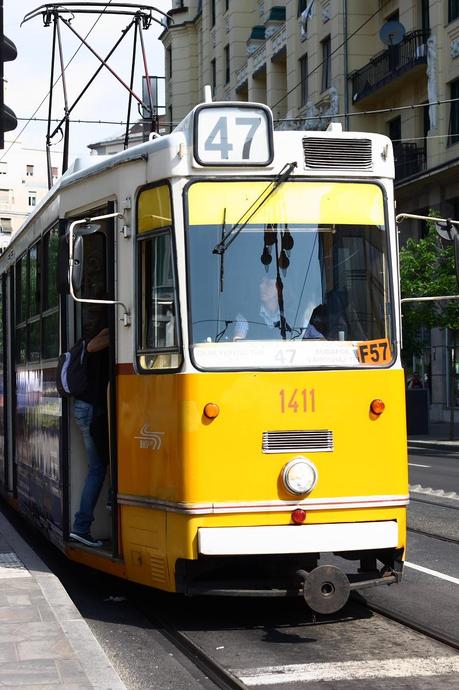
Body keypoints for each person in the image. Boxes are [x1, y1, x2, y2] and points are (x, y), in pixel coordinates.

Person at [69, 325, 109, 547]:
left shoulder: (86, 335)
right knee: (98, 468)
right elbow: (94, 346)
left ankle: (82, 526)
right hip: (92, 410)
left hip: (87, 409)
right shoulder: (95, 338)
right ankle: (81, 527)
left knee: (101, 466)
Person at [233, 276, 325, 341]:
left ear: (279, 289)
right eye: (261, 283)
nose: (261, 286)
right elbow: (238, 340)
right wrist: (238, 338)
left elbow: (318, 339)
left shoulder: (296, 315)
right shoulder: (246, 316)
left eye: (268, 283)